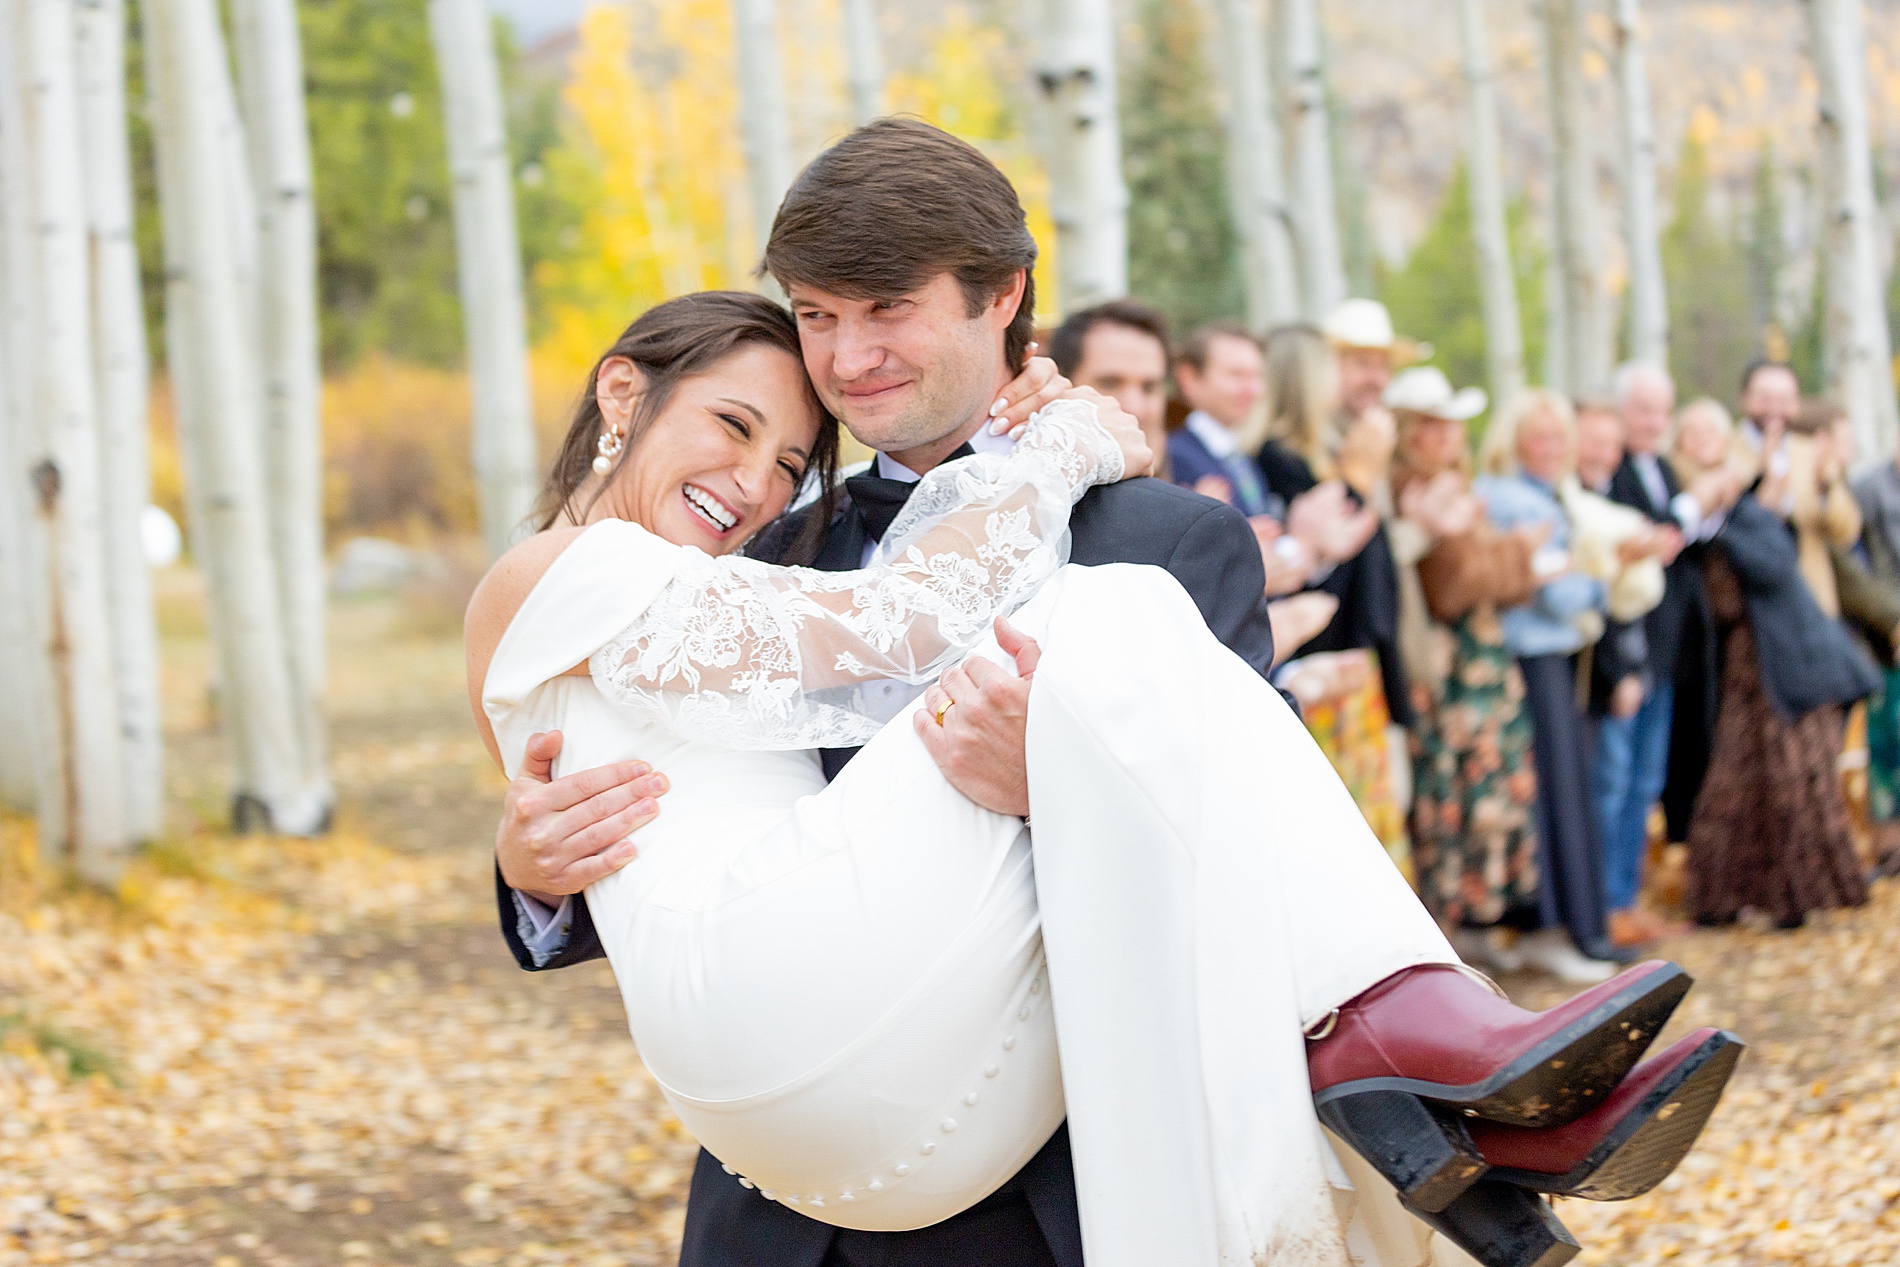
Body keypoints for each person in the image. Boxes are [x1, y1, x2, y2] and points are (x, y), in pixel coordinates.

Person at [477, 122, 1733, 1267]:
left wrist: (1062, 782)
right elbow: (673, 803)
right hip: (787, 1195)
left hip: (1041, 1190)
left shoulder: (1168, 537)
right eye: (816, 315)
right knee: (1108, 627)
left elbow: (1256, 840)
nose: (847, 359)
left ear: (1002, 296)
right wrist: (532, 875)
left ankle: (1422, 1055)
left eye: (887, 309)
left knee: (1119, 618)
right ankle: (1412, 1044)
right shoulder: (743, 544)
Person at [1671, 399, 1876, 929]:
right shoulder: (1691, 506)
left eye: (1712, 431)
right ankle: (1730, 894)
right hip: (1746, 661)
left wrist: (1751, 505)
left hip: (1784, 657)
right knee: (1744, 774)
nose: (1705, 441)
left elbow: (1778, 563)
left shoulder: (1747, 503)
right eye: (1692, 432)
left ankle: (1794, 893)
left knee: (1789, 774)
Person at [1384, 370, 1542, 975]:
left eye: (1452, 425)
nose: (1448, 435)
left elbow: (1500, 582)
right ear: (1408, 432)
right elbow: (1453, 588)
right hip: (1448, 667)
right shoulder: (1409, 490)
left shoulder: (1454, 487)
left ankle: (1472, 921)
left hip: (1481, 659)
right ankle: (1443, 926)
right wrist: (1516, 554)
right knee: (1450, 791)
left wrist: (1503, 562)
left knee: (1487, 790)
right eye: (1433, 424)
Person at [1474, 391, 1622, 981]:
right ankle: (1558, 928)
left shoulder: (1538, 496)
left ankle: (1571, 927)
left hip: (1545, 659)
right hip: (1534, 662)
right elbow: (1559, 595)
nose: (1552, 448)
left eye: (1560, 436)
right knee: (1555, 794)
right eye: (1540, 436)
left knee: (1562, 791)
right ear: (1513, 440)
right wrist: (1601, 580)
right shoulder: (1515, 500)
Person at [1167, 322, 1277, 514]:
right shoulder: (1173, 458)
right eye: (1236, 375)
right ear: (1189, 378)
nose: (1251, 389)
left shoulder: (1242, 456)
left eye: (1256, 375)